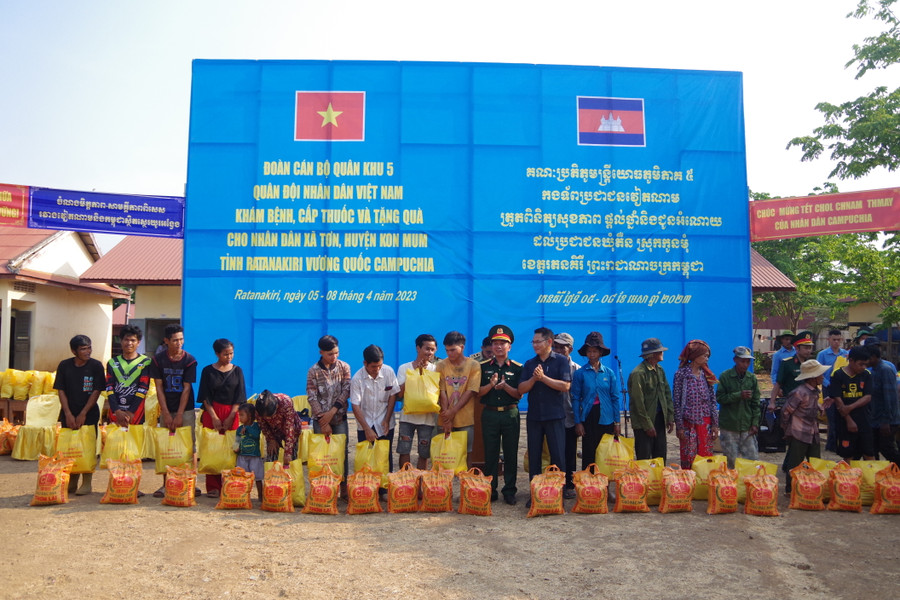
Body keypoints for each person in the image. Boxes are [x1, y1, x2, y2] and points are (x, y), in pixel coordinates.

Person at [518, 327, 571, 507]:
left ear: (549, 342)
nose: (534, 345)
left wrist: (543, 378)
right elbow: (521, 389)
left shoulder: (561, 361)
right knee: (534, 456)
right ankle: (535, 493)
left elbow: (565, 386)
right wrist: (534, 379)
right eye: (533, 342)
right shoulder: (530, 363)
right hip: (534, 417)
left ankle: (558, 493)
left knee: (557, 456)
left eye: (537, 341)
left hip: (555, 416)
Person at [148, 324, 198, 498]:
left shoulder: (189, 360)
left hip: (186, 409)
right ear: (166, 341)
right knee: (167, 446)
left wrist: (178, 414)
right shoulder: (158, 360)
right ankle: (165, 483)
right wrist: (167, 413)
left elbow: (186, 388)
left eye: (181, 339)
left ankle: (191, 482)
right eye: (175, 340)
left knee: (188, 445)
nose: (179, 343)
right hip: (166, 407)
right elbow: (159, 387)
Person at [55, 334, 106, 495]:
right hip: (68, 413)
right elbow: (61, 390)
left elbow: (96, 391)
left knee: (87, 448)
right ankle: (72, 480)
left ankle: (87, 482)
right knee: (71, 447)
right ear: (73, 351)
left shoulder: (96, 366)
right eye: (83, 349)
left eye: (89, 347)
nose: (88, 351)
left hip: (89, 414)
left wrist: (83, 413)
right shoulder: (64, 366)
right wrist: (68, 413)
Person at [478, 325, 523, 505]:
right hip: (489, 414)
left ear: (509, 347)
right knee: (490, 453)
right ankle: (491, 488)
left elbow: (519, 393)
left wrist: (505, 387)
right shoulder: (482, 367)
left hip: (510, 413)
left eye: (503, 343)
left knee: (511, 452)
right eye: (495, 343)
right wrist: (491, 385)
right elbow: (478, 392)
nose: (498, 347)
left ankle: (510, 490)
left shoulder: (518, 368)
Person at [197, 338, 246, 498]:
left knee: (231, 448)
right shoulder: (207, 371)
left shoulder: (238, 371)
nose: (229, 357)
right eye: (225, 354)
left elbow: (240, 396)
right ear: (217, 354)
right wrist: (214, 417)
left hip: (232, 412)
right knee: (212, 448)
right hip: (212, 413)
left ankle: (229, 483)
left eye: (231, 353)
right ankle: (213, 486)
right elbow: (204, 396)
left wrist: (232, 415)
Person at [350, 344, 400, 497]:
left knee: (385, 456)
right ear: (365, 363)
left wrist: (386, 419)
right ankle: (368, 490)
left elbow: (393, 395)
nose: (376, 369)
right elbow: (355, 405)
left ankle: (384, 490)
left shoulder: (389, 371)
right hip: (365, 422)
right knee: (366, 458)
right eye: (373, 367)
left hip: (384, 421)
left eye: (379, 366)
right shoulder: (357, 378)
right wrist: (366, 429)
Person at [306, 334, 351, 496]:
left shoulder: (344, 367)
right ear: (321, 352)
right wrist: (323, 420)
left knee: (342, 454)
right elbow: (312, 396)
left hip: (339, 417)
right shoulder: (313, 371)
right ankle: (323, 490)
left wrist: (332, 412)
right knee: (323, 455)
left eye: (336, 353)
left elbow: (346, 390)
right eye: (330, 354)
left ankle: (344, 490)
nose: (334, 357)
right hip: (321, 420)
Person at [572, 331, 620, 476]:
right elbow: (575, 398)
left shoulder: (609, 373)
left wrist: (617, 422)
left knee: (605, 453)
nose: (592, 354)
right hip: (588, 416)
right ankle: (588, 485)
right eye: (589, 351)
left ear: (600, 353)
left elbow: (615, 398)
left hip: (606, 416)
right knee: (589, 451)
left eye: (594, 351)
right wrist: (578, 422)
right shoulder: (580, 373)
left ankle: (603, 486)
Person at [781, 359, 830, 495]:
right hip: (799, 432)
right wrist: (787, 429)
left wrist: (820, 407)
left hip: (812, 431)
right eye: (820, 375)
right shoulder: (799, 392)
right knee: (795, 463)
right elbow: (786, 411)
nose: (822, 377)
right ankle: (790, 489)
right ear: (813, 378)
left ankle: (812, 486)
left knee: (815, 462)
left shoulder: (814, 391)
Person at [436, 331, 481, 467]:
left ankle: (465, 484)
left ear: (462, 347)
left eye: (453, 350)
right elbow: (441, 391)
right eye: (447, 350)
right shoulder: (441, 365)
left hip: (465, 418)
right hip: (444, 417)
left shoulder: (473, 365)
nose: (450, 354)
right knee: (443, 454)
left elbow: (470, 391)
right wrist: (446, 416)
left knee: (467, 453)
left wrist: (453, 411)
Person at [673, 339, 718, 470]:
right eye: (704, 356)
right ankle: (690, 485)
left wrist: (715, 424)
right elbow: (676, 401)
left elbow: (712, 400)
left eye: (708, 356)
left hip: (705, 423)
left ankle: (703, 486)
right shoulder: (681, 374)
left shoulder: (707, 374)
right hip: (688, 424)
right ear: (695, 356)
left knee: (705, 458)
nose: (707, 359)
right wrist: (679, 426)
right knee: (689, 458)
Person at [396, 334, 439, 470]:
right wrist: (414, 374)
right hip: (407, 417)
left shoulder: (436, 369)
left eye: (432, 350)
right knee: (404, 450)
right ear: (418, 348)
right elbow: (399, 394)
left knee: (424, 453)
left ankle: (420, 483)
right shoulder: (404, 368)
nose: (429, 353)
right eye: (427, 349)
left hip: (428, 419)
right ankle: (406, 481)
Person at [628, 338, 675, 461]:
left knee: (660, 456)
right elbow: (638, 402)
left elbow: (667, 394)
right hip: (644, 422)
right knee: (644, 458)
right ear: (653, 354)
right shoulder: (639, 373)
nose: (662, 353)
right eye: (660, 351)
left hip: (659, 418)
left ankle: (658, 480)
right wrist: (647, 425)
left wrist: (670, 417)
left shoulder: (660, 370)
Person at [715, 346, 761, 468]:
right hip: (729, 426)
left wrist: (755, 423)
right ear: (735, 360)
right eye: (742, 361)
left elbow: (756, 403)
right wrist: (738, 395)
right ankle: (730, 486)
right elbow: (720, 398)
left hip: (747, 426)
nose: (745, 365)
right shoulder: (725, 376)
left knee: (752, 460)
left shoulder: (751, 379)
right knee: (731, 460)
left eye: (748, 361)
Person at [827, 346, 875, 461]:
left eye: (865, 365)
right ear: (851, 360)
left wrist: (850, 407)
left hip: (864, 420)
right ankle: (848, 477)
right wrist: (849, 420)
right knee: (848, 455)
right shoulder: (837, 374)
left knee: (869, 453)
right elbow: (838, 401)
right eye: (861, 364)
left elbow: (867, 397)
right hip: (845, 421)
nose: (863, 367)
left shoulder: (867, 374)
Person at [106, 324, 151, 427]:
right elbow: (109, 388)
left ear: (138, 342)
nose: (129, 343)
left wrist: (131, 412)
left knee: (136, 442)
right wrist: (117, 410)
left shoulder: (146, 362)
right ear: (121, 341)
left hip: (137, 413)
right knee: (114, 442)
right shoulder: (112, 363)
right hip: (116, 413)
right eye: (126, 339)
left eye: (133, 340)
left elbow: (143, 389)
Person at [551, 332, 580, 498]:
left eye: (563, 347)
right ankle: (554, 483)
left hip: (570, 417)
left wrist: (579, 420)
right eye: (556, 346)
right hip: (552, 417)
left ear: (570, 349)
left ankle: (568, 484)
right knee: (553, 452)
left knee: (570, 451)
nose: (559, 350)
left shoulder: (578, 370)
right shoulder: (549, 366)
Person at [865, 342, 900, 465]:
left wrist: (886, 421)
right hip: (875, 418)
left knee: (887, 449)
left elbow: (890, 397)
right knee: (873, 448)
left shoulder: (885, 370)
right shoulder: (873, 370)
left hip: (886, 420)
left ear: (873, 357)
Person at [817, 329, 849, 452]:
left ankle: (842, 443)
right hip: (828, 388)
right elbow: (819, 372)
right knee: (831, 417)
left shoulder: (845, 354)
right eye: (834, 340)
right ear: (828, 340)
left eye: (838, 340)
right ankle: (831, 445)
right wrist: (828, 384)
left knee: (842, 414)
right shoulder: (823, 354)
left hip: (842, 389)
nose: (836, 342)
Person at [768, 331, 815, 411]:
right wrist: (772, 402)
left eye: (810, 348)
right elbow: (778, 383)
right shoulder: (787, 363)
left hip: (807, 404)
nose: (808, 351)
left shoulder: (810, 364)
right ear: (797, 348)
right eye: (805, 348)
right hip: (791, 403)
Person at [255, 389, 302, 465]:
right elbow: (263, 425)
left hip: (291, 430)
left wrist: (288, 453)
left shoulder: (286, 402)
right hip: (272, 431)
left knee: (290, 460)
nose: (268, 419)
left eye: (270, 415)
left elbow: (290, 428)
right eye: (265, 417)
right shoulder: (259, 407)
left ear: (276, 406)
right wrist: (271, 439)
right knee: (271, 457)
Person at [235, 402, 264, 501]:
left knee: (258, 477)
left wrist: (247, 429)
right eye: (239, 415)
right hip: (242, 456)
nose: (240, 417)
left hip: (254, 456)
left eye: (242, 415)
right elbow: (237, 441)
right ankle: (244, 496)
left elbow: (256, 435)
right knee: (242, 477)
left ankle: (261, 495)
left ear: (250, 415)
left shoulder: (256, 426)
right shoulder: (239, 429)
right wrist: (236, 448)